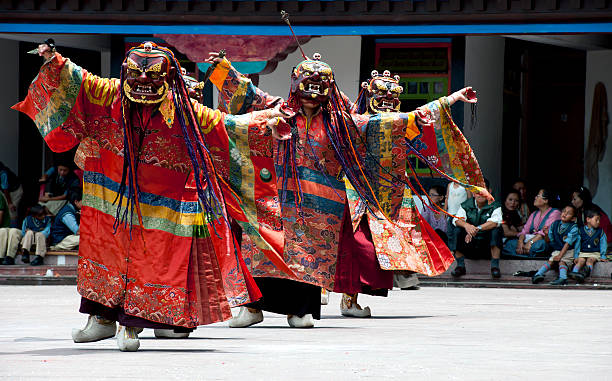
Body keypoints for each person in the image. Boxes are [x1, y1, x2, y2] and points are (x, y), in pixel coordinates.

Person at [13, 40, 288, 351]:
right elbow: (80, 80)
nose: (143, 80)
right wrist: (55, 60)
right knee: (104, 258)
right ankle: (100, 320)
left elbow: (226, 126)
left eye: (153, 74)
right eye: (136, 73)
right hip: (110, 197)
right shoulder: (109, 93)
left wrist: (267, 123)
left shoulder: (185, 110)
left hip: (162, 205)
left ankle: (131, 326)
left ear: (168, 76)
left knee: (150, 262)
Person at [206, 55, 489, 325]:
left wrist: (447, 100)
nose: (310, 98)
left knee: (310, 259)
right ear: (295, 86)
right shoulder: (281, 111)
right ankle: (253, 306)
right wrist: (222, 70)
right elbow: (249, 95)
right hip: (280, 200)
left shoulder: (341, 124)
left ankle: (301, 311)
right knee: (264, 245)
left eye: (318, 91)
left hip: (321, 207)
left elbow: (391, 122)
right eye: (306, 89)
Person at [450, 179, 503, 278]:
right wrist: (467, 226)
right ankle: (460, 266)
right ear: (473, 193)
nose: (480, 194)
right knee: (457, 229)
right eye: (477, 191)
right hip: (470, 245)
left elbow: (495, 222)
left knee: (497, 230)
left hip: (486, 247)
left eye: (483, 191)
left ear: (489, 191)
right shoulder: (466, 205)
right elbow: (456, 220)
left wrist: (476, 228)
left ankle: (495, 267)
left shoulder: (495, 206)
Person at [502, 188, 561, 258]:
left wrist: (530, 243)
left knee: (541, 245)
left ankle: (522, 254)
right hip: (529, 241)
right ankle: (527, 253)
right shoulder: (534, 214)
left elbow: (542, 234)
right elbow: (524, 231)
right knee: (510, 243)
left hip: (539, 241)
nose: (535, 198)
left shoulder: (555, 213)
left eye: (538, 196)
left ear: (546, 200)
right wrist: (520, 242)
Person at [531, 205, 578, 285]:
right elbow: (549, 241)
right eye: (564, 211)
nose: (565, 214)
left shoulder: (574, 228)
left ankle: (563, 278)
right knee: (550, 262)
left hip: (569, 251)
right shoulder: (555, 224)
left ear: (573, 218)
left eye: (568, 213)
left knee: (562, 262)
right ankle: (537, 275)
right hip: (558, 249)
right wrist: (546, 234)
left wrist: (560, 256)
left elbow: (567, 244)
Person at [569, 208, 608, 283]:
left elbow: (603, 244)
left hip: (594, 253)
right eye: (596, 220)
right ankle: (574, 274)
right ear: (588, 219)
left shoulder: (600, 231)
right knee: (580, 261)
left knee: (590, 261)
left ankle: (585, 274)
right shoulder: (581, 230)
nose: (598, 222)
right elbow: (578, 244)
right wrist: (576, 256)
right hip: (583, 252)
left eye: (599, 220)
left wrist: (603, 255)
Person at [0, 162, 23, 227]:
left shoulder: (2, 172)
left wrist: (10, 203)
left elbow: (5, 188)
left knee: (12, 211)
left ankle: (13, 232)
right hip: (4, 190)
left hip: (15, 191)